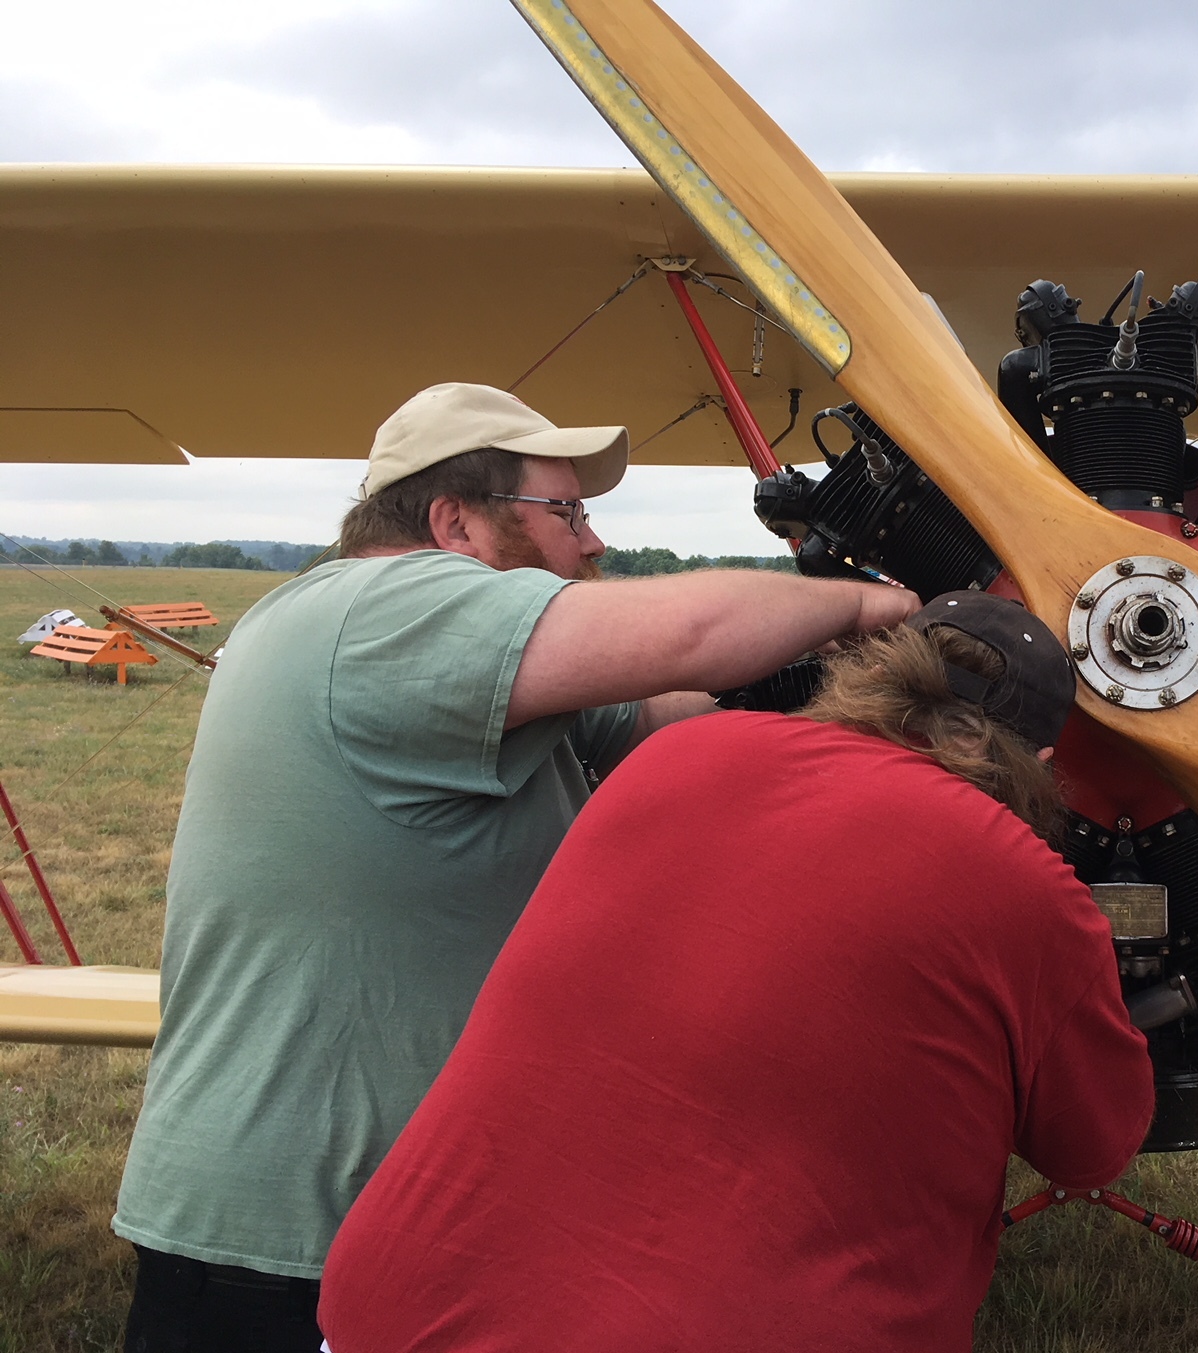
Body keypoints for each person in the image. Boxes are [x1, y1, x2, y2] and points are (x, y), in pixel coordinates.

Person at [114, 383, 920, 1353]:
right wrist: (887, 604)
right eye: (568, 513)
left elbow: (683, 714)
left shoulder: (454, 669)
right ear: (454, 521)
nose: (593, 543)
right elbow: (692, 633)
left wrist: (893, 702)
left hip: (383, 1225)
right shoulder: (383, 609)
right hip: (293, 1244)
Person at [316, 592, 1154, 1353]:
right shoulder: (1025, 883)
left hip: (388, 1306)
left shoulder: (674, 753)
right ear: (1039, 755)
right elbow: (1093, 1148)